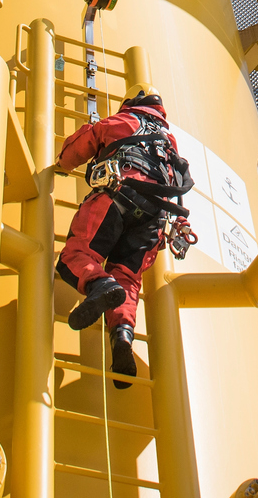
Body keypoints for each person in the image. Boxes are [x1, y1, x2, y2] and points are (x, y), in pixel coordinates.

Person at [54, 90, 194, 387]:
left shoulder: (125, 120)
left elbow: (83, 144)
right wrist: (180, 224)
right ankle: (123, 336)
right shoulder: (169, 145)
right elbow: (180, 185)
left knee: (76, 257)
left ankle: (99, 283)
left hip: (118, 193)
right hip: (155, 218)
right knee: (128, 279)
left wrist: (61, 164)